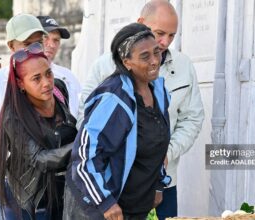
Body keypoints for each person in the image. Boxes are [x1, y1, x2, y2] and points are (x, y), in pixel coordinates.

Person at [77, 1, 204, 219]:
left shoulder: (171, 77)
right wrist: (105, 198)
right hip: (116, 188)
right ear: (141, 24)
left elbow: (192, 118)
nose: (165, 43)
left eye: (172, 36)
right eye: (160, 33)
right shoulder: (106, 72)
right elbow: (86, 130)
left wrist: (165, 157)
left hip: (161, 183)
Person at [64, 23, 171, 220]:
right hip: (102, 208)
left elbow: (159, 141)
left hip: (137, 206)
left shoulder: (158, 91)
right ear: (127, 62)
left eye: (157, 52)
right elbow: (84, 156)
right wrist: (105, 203)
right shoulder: (114, 98)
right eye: (145, 56)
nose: (155, 60)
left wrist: (159, 184)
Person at [0, 42, 77, 219]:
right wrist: (82, 144)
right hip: (29, 200)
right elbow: (40, 159)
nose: (47, 83)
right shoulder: (13, 116)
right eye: (36, 78)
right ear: (20, 83)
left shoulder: (59, 90)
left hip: (61, 191)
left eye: (49, 74)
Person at [0, 13, 48, 220]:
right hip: (5, 186)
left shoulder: (54, 80)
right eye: (26, 44)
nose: (34, 51)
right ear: (10, 46)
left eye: (38, 44)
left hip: (45, 184)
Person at [37, 15, 81, 117]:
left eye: (56, 40)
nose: (51, 45)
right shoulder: (20, 77)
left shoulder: (68, 75)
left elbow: (81, 110)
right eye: (45, 38)